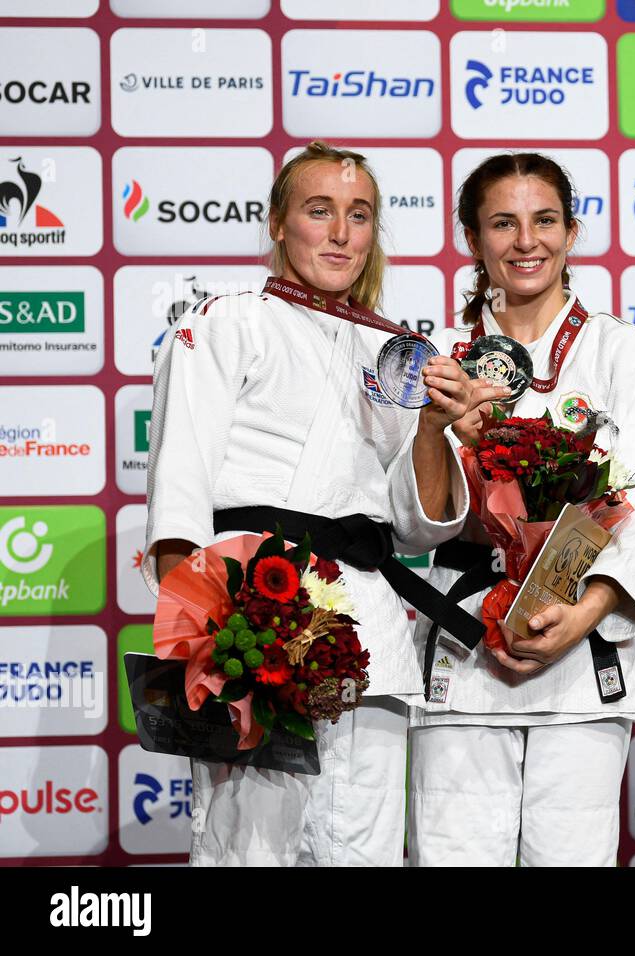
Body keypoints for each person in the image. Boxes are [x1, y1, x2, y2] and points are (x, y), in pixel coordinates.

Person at [145, 141, 498, 866]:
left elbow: (418, 523)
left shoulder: (397, 352)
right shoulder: (225, 321)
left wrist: (434, 426)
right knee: (250, 850)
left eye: (359, 215)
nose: (341, 233)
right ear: (278, 224)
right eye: (319, 211)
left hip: (366, 630)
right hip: (253, 620)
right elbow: (178, 494)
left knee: (362, 850)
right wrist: (209, 646)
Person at [407, 152, 635, 866]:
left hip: (579, 656)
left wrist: (586, 612)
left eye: (544, 221)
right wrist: (436, 432)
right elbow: (415, 523)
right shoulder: (438, 357)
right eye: (503, 222)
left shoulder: (625, 351)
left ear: (572, 232)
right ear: (473, 238)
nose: (526, 241)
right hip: (465, 643)